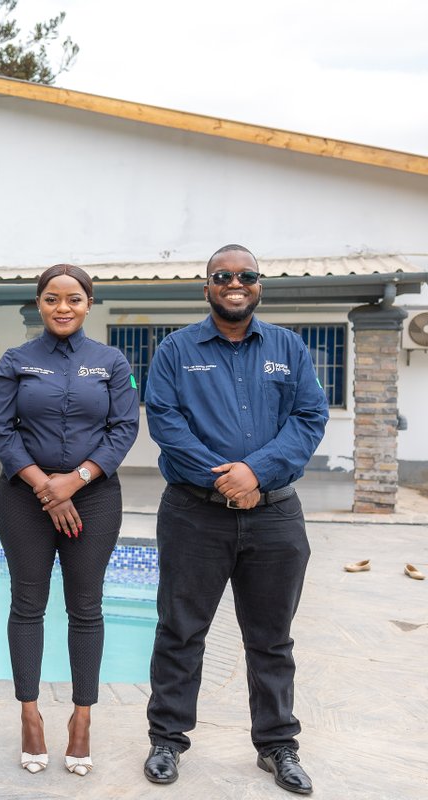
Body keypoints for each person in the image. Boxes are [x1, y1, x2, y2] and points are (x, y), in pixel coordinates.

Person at [142, 244, 327, 795]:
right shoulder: (175, 349)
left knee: (272, 639)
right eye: (222, 276)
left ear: (259, 285)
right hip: (194, 514)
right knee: (180, 630)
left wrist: (256, 473)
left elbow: (310, 416)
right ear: (207, 288)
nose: (235, 283)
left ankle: (277, 745)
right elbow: (166, 422)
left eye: (246, 275)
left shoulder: (289, 348)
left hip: (275, 515)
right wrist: (227, 479)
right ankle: (167, 739)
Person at [0, 264, 139, 777]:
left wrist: (75, 481)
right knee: (27, 606)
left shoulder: (111, 362)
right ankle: (29, 715)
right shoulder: (16, 360)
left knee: (86, 609)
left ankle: (82, 718)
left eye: (73, 298)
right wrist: (47, 489)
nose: (63, 307)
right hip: (23, 497)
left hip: (94, 498)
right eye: (52, 298)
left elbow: (123, 428)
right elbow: (1, 430)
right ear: (39, 303)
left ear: (89, 303)